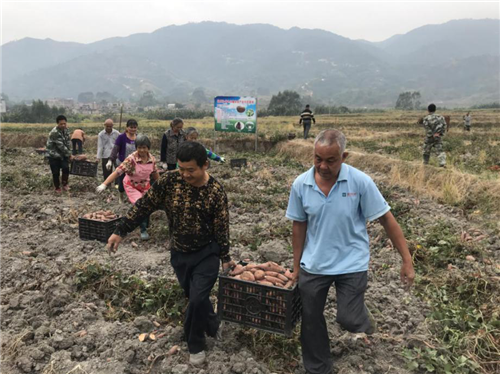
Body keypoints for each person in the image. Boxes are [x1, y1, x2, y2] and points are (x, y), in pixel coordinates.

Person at [286, 129, 415, 374]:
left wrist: (406, 259)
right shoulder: (301, 184)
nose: (322, 166)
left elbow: (386, 219)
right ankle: (319, 368)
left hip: (352, 262)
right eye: (317, 159)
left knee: (349, 318)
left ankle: (362, 320)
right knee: (311, 320)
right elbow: (298, 225)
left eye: (330, 160)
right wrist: (296, 267)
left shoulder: (360, 182)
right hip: (315, 264)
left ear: (344, 156)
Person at [107, 141, 233, 366]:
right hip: (180, 253)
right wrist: (121, 231)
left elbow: (222, 227)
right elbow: (144, 206)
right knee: (195, 297)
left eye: (190, 170)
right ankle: (213, 325)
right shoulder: (169, 182)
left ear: (205, 165)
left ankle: (195, 346)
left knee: (196, 299)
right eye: (181, 169)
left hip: (207, 253)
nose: (184, 174)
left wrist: (225, 258)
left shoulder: (215, 191)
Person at [97, 135, 158, 240]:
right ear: (136, 147)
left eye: (144, 147)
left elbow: (155, 173)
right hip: (131, 185)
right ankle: (143, 229)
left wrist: (160, 185)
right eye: (139, 147)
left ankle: (144, 222)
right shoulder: (131, 159)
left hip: (144, 185)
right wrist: (105, 184)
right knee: (140, 204)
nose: (142, 150)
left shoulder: (151, 159)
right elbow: (117, 172)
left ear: (148, 148)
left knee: (149, 203)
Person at [108, 119, 138, 203]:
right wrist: (110, 159)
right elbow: (115, 149)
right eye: (131, 127)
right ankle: (121, 197)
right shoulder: (122, 137)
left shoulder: (138, 137)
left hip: (134, 165)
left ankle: (131, 197)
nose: (133, 129)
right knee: (121, 183)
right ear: (127, 128)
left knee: (133, 182)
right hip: (122, 163)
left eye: (135, 127)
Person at [46, 115, 74, 192]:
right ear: (57, 124)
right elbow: (61, 146)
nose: (63, 125)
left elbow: (68, 142)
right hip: (53, 154)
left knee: (66, 169)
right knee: (55, 172)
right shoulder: (54, 132)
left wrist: (70, 152)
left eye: (64, 123)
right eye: (61, 124)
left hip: (63, 154)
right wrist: (69, 154)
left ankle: (65, 184)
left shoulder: (66, 130)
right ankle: (57, 187)